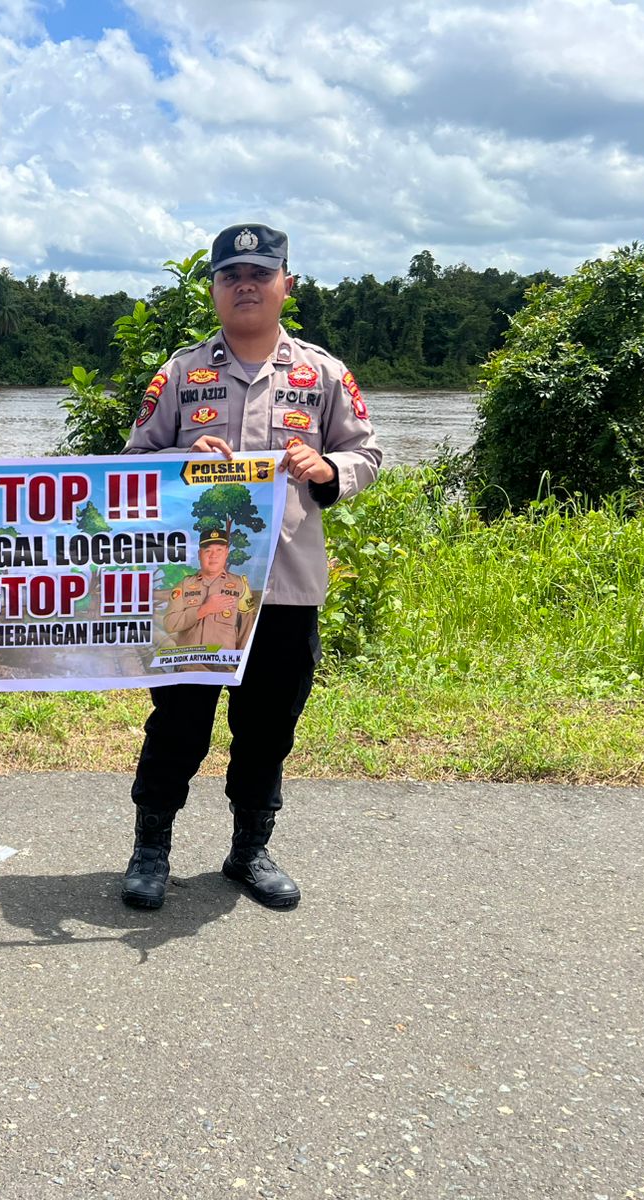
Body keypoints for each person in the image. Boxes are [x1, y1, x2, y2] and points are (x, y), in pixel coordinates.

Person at [121, 222, 382, 912]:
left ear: (285, 286)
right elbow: (132, 458)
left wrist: (328, 468)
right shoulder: (180, 373)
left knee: (267, 728)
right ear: (212, 288)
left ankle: (249, 849)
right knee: (178, 723)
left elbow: (368, 455)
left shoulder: (322, 374)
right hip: (196, 589)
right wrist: (178, 461)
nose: (245, 285)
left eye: (259, 274)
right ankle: (151, 849)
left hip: (288, 588)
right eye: (230, 274)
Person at [158, 528, 257, 661]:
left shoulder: (240, 585)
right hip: (189, 666)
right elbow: (169, 624)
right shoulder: (184, 585)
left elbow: (247, 630)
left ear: (226, 553)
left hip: (224, 666)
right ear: (199, 554)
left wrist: (240, 664)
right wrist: (203, 610)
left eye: (219, 550)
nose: (213, 555)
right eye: (208, 550)